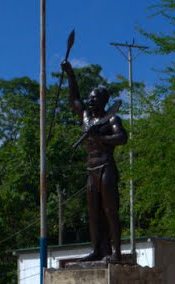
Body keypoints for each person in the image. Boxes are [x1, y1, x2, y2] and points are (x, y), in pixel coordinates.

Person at [61, 60, 128, 262]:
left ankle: (115, 252)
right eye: (89, 98)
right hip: (91, 169)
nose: (90, 102)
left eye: (94, 99)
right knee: (93, 213)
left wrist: (99, 137)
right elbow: (74, 99)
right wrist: (70, 74)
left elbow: (122, 138)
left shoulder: (111, 119)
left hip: (106, 167)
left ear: (103, 101)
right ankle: (97, 249)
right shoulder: (86, 117)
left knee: (110, 210)